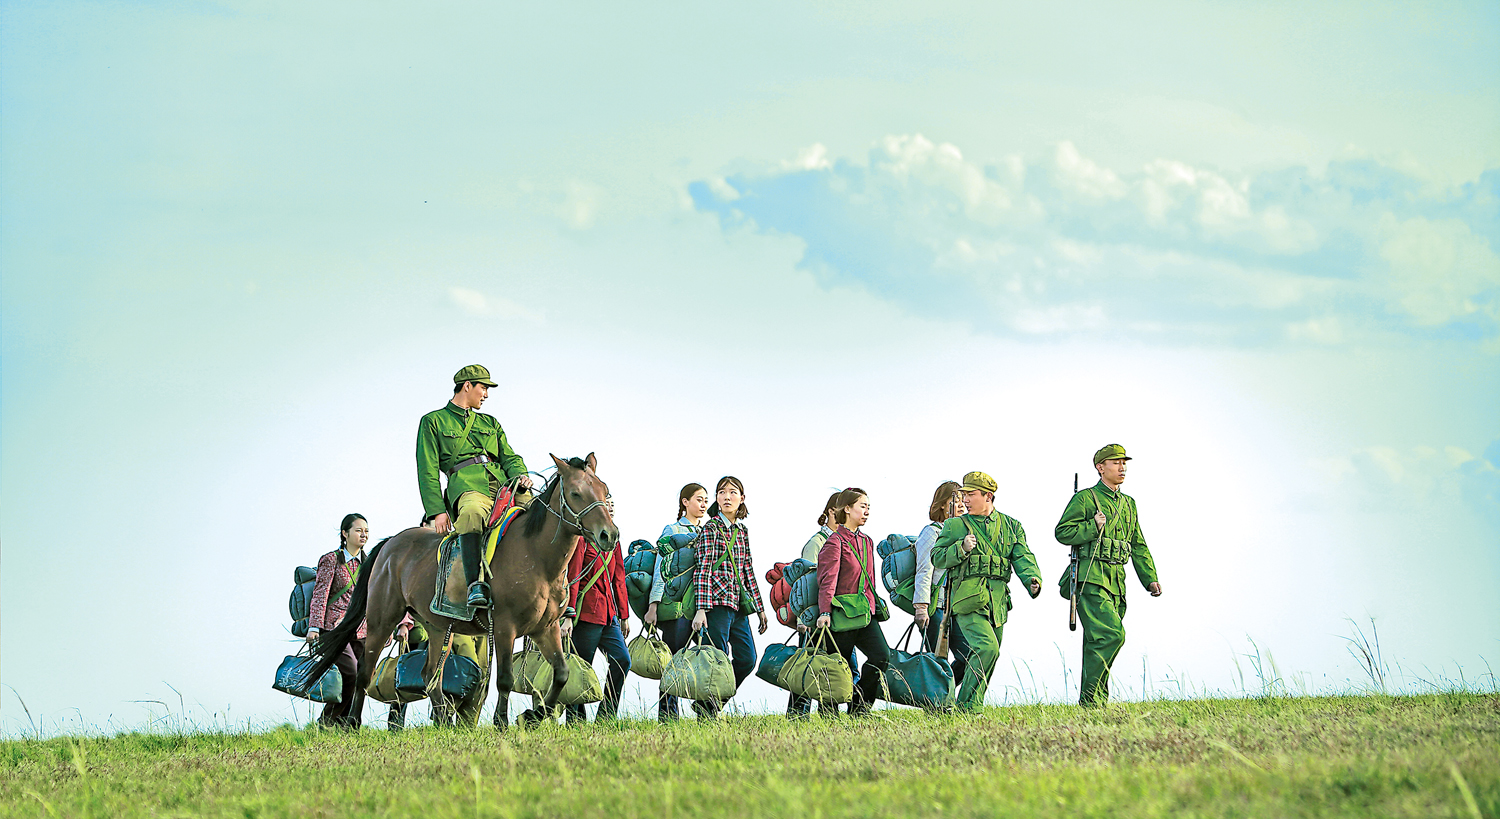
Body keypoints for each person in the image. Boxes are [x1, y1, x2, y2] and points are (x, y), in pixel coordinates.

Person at [416, 364, 533, 610]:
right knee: (472, 514)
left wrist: (521, 475)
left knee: (541, 512)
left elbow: (508, 456)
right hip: (468, 485)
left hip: (503, 485)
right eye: (484, 388)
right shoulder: (433, 421)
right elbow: (427, 471)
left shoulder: (491, 422)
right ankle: (474, 584)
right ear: (467, 386)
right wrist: (436, 511)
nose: (487, 395)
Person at [1054, 444, 1162, 706]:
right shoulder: (1086, 498)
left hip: (1116, 581)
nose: (1122, 467)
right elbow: (1062, 532)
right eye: (1115, 463)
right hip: (1090, 577)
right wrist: (1093, 526)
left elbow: (1137, 544)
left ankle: (1094, 701)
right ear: (1100, 468)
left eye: (1124, 462)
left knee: (1098, 641)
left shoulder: (1128, 504)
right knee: (1112, 635)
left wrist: (1150, 577)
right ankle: (1092, 700)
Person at [931, 472, 1042, 713]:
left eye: (971, 495)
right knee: (986, 648)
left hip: (998, 603)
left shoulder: (1012, 526)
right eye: (964, 495)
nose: (966, 500)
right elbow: (937, 557)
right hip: (967, 600)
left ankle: (964, 704)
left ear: (988, 496)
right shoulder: (955, 525)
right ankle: (968, 708)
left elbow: (1023, 557)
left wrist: (1032, 579)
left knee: (991, 653)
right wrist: (960, 548)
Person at [689, 476, 768, 717]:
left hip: (738, 607)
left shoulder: (742, 531)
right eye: (721, 492)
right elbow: (703, 569)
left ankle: (708, 706)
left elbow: (747, 570)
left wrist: (760, 609)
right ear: (717, 498)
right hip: (716, 605)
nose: (726, 497)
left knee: (747, 659)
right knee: (718, 661)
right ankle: (709, 713)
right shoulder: (711, 529)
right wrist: (701, 609)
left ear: (741, 499)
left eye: (732, 492)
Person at [814, 488, 891, 716]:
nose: (866, 511)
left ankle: (860, 708)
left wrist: (874, 606)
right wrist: (825, 612)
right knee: (838, 667)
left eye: (868, 507)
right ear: (847, 509)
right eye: (862, 506)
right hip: (840, 615)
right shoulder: (834, 542)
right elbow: (827, 580)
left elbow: (869, 581)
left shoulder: (867, 541)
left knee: (881, 656)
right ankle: (828, 714)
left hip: (865, 613)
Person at [560, 499, 632, 724]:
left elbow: (619, 578)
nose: (609, 507)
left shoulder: (614, 541)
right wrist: (569, 615)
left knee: (622, 660)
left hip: (609, 614)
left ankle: (606, 716)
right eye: (605, 503)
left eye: (612, 503)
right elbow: (573, 576)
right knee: (581, 668)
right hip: (586, 614)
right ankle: (576, 722)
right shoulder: (582, 539)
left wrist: (624, 615)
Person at [306, 514, 380, 728]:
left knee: (361, 678)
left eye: (366, 530)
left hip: (362, 629)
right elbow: (320, 594)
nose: (364, 534)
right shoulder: (331, 560)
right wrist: (314, 627)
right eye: (358, 530)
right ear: (344, 533)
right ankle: (326, 721)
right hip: (334, 628)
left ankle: (345, 724)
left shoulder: (370, 563)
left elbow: (377, 598)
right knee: (350, 672)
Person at [645, 483, 707, 722]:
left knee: (702, 658)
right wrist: (654, 605)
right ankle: (668, 716)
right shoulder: (672, 529)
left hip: (701, 605)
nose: (703, 504)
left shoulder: (708, 530)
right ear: (685, 502)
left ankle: (705, 713)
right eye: (699, 499)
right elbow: (662, 567)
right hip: (677, 605)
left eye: (705, 500)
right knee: (673, 660)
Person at [788, 492, 843, 719]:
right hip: (814, 617)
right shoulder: (817, 543)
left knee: (832, 666)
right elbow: (806, 584)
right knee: (807, 666)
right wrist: (803, 619)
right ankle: (797, 715)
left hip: (836, 613)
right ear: (830, 512)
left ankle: (830, 715)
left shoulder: (845, 541)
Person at [912, 480, 971, 688]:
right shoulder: (932, 532)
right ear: (943, 505)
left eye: (964, 499)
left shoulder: (965, 535)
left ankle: (941, 695)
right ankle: (937, 704)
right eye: (955, 499)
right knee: (939, 660)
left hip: (957, 607)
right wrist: (921, 607)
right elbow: (924, 570)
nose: (962, 504)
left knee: (970, 656)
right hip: (936, 607)